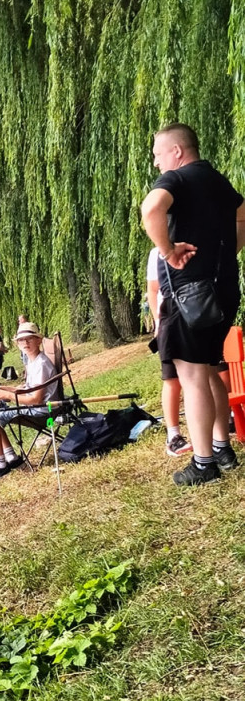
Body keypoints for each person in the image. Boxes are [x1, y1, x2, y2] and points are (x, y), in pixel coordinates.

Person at [141, 122, 245, 485]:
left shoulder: (179, 180)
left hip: (188, 296)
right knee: (210, 367)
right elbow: (243, 214)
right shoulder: (217, 180)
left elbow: (151, 209)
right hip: (224, 291)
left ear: (177, 152)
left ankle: (203, 464)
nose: (156, 164)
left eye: (157, 155)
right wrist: (227, 255)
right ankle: (221, 447)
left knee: (191, 375)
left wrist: (167, 252)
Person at [0, 322, 58, 485]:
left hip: (40, 411)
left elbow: (36, 399)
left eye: (30, 339)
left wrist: (6, 395)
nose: (26, 343)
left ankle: (0, 464)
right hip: (33, 407)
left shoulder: (41, 364)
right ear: (17, 344)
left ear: (38, 340)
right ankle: (11, 458)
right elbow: (27, 389)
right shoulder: (33, 361)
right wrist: (5, 388)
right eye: (21, 340)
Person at [146, 247, 192, 457]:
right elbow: (153, 290)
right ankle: (173, 435)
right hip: (169, 320)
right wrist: (158, 322)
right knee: (172, 379)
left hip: (199, 316)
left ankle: (221, 425)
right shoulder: (157, 252)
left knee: (211, 373)